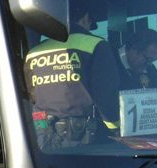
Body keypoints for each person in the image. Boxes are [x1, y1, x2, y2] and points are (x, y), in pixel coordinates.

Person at [24, 0, 120, 148]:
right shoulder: (96, 45)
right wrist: (115, 128)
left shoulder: (33, 53)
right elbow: (105, 95)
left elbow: (33, 99)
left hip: (43, 140)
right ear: (86, 18)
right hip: (85, 141)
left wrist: (42, 128)